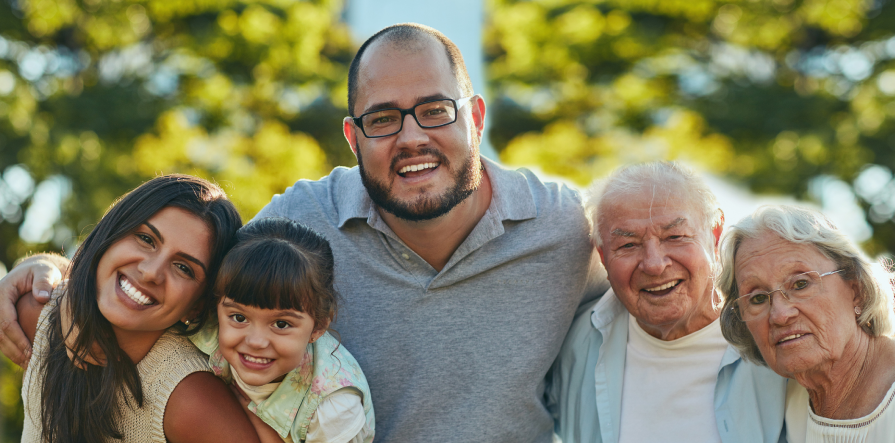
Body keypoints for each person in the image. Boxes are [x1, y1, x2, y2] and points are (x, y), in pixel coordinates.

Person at [0, 24, 600, 442]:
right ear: (352, 135)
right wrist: (55, 270)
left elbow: (659, 294)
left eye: (435, 110)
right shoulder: (302, 224)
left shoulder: (564, 229)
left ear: (474, 116)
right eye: (383, 119)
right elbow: (171, 274)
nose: (411, 137)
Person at [548, 162, 787, 443]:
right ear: (602, 256)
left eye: (675, 237)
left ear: (715, 233)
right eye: (628, 245)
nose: (654, 264)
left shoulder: (778, 336)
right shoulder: (576, 343)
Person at [13, 175, 262, 443]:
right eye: (145, 238)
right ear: (112, 232)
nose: (150, 272)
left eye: (183, 268)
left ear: (197, 307)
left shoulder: (188, 399)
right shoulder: (35, 313)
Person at [717, 205, 895, 442]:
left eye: (800, 284)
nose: (780, 315)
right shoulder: (778, 404)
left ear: (856, 289)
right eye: (758, 298)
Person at [189, 217, 375, 443]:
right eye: (239, 318)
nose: (256, 341)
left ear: (317, 327)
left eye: (281, 324)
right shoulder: (202, 325)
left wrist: (252, 423)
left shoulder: (333, 407)